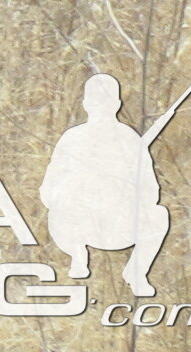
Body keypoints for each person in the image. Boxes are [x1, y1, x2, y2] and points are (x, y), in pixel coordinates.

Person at [44, 72, 172, 299]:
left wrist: (121, 191)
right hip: (89, 226)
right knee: (59, 206)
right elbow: (49, 191)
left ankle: (134, 272)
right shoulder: (77, 138)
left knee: (159, 215)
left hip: (113, 227)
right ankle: (78, 255)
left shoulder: (126, 139)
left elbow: (150, 191)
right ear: (116, 104)